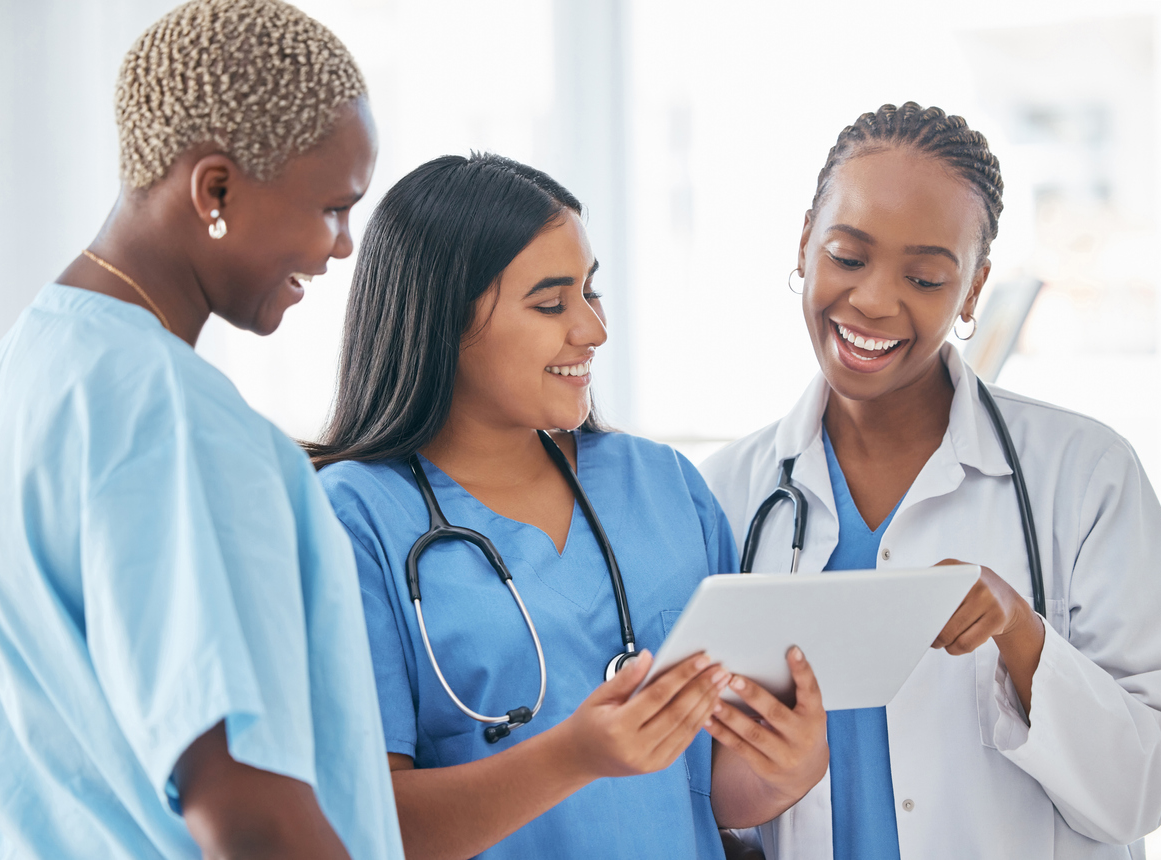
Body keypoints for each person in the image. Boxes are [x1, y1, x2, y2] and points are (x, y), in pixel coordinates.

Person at [0, 1, 402, 857]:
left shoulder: (23, 370)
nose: (343, 248)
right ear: (216, 189)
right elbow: (247, 808)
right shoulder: (172, 418)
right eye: (334, 209)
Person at [309, 152, 829, 860]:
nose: (592, 329)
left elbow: (702, 787)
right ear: (442, 320)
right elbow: (361, 825)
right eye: (552, 303)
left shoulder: (664, 486)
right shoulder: (351, 518)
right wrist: (571, 758)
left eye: (591, 292)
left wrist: (784, 769)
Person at [701, 101, 1161, 859]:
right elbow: (701, 794)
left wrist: (1022, 637)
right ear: (804, 245)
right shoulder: (724, 495)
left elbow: (1145, 792)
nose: (874, 300)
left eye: (923, 276)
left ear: (974, 291)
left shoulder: (1087, 478)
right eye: (848, 258)